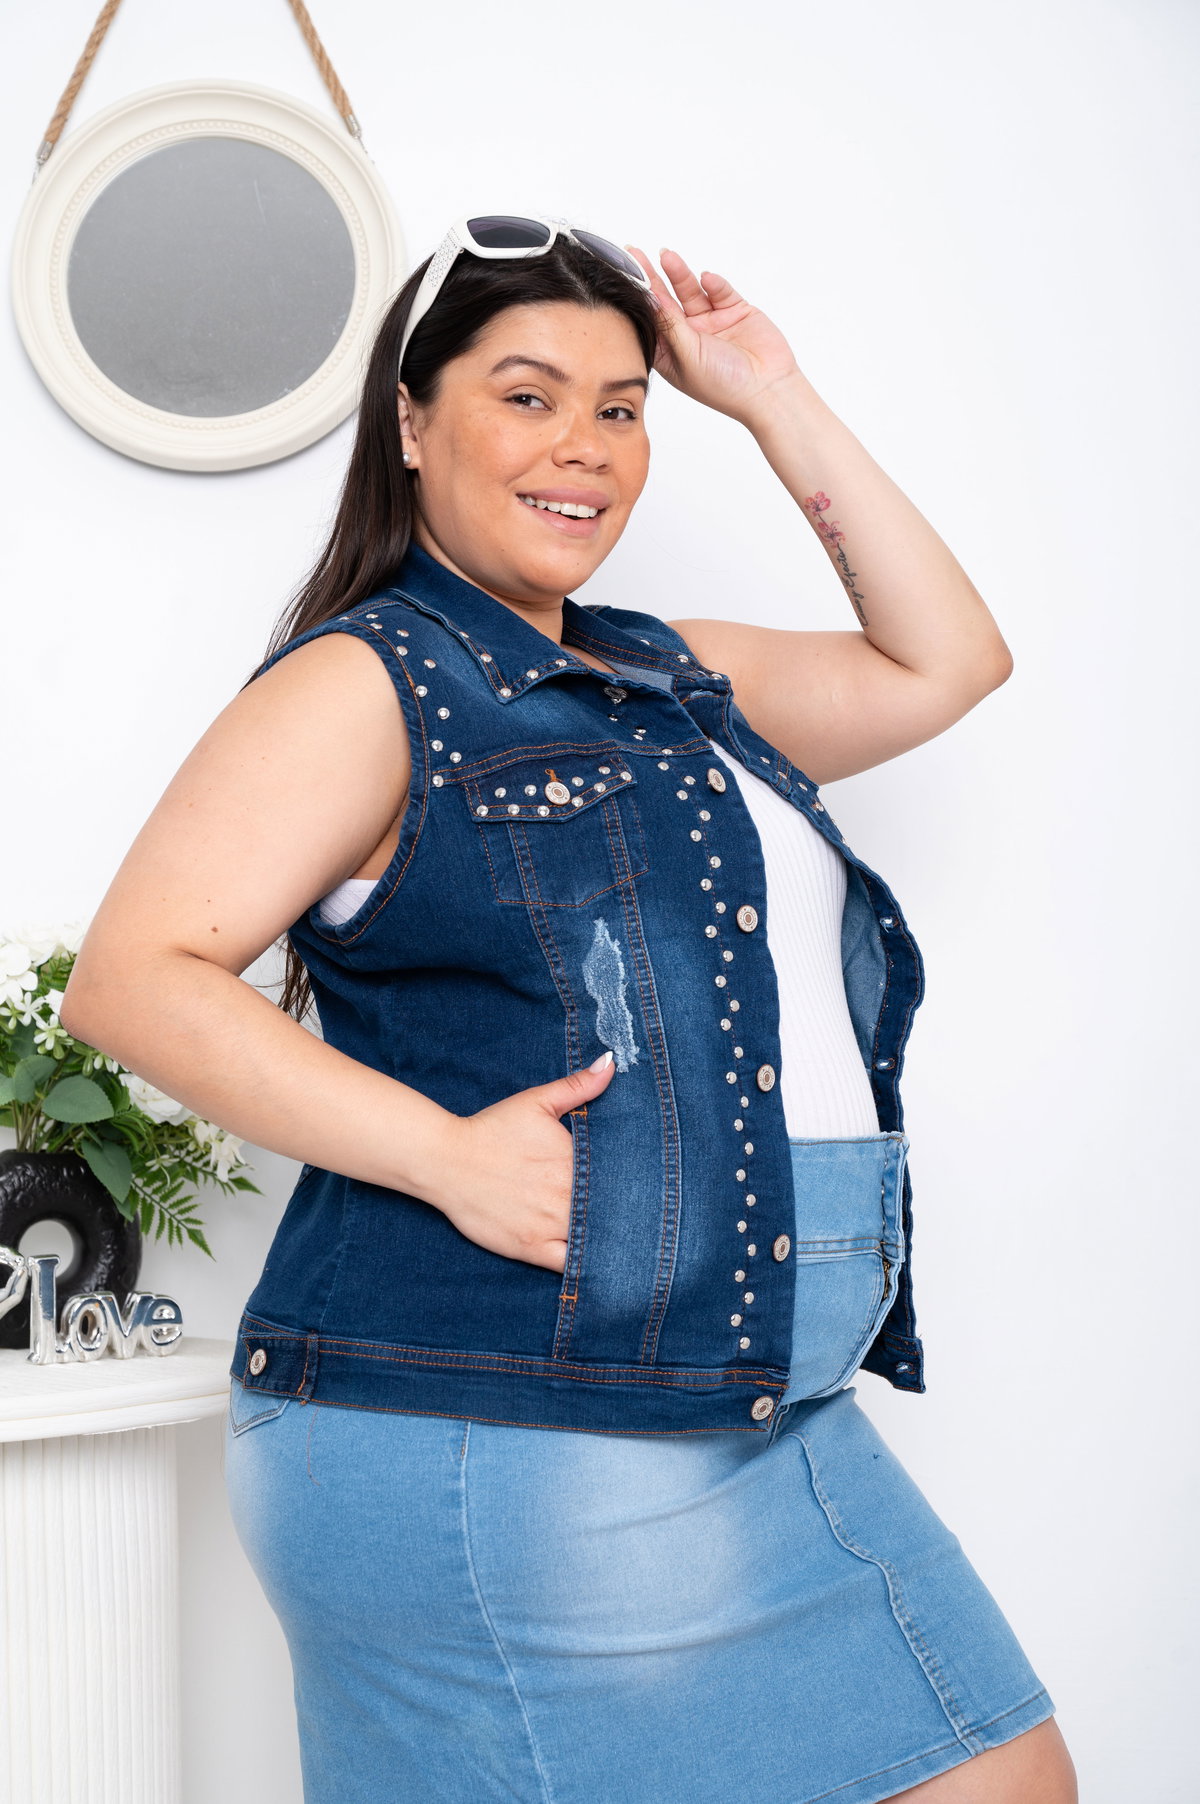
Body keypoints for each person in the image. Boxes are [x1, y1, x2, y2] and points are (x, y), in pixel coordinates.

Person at [60, 215, 1078, 1804]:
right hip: (506, 1422)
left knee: (1003, 1776)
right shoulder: (370, 681)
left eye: (621, 407)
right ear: (412, 422)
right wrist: (446, 1154)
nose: (585, 447)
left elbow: (944, 660)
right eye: (527, 396)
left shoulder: (668, 677)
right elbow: (134, 978)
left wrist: (770, 393)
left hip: (753, 1405)